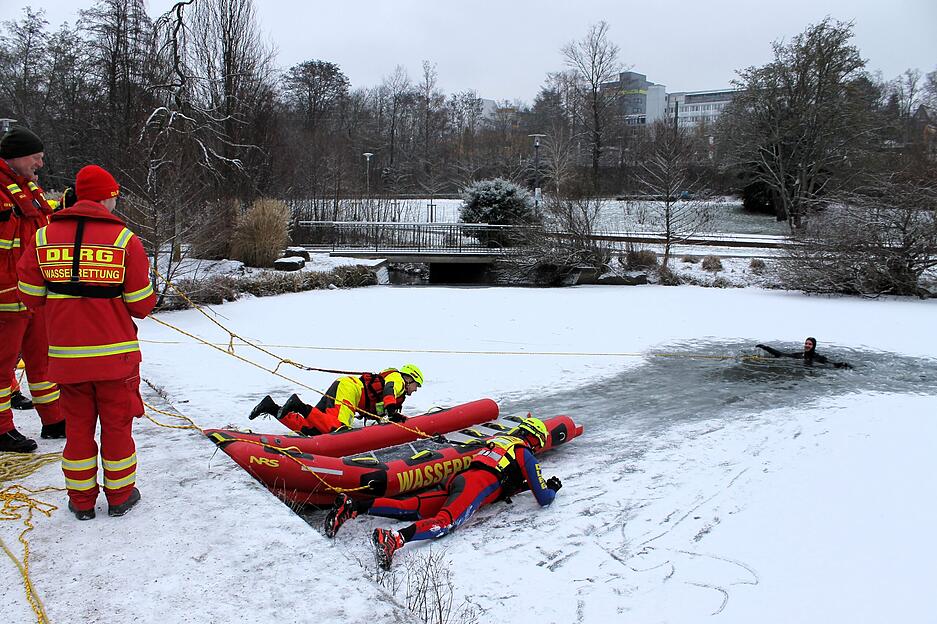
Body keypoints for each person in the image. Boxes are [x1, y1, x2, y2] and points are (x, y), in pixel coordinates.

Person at [17, 164, 156, 520]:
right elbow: (141, 305)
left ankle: (81, 503)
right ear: (108, 196)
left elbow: (31, 296)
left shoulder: (45, 237)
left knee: (77, 429)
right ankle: (121, 497)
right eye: (115, 195)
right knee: (117, 428)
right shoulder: (125, 240)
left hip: (66, 360)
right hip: (116, 360)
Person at [324, 416, 562, 570]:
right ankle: (395, 539)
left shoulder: (499, 442)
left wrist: (521, 486)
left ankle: (353, 505)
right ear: (534, 439)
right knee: (446, 522)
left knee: (413, 507)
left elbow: (506, 479)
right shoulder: (524, 453)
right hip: (476, 485)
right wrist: (551, 488)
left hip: (459, 480)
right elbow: (543, 498)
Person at [0, 126, 63, 452]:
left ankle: (53, 419)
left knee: (43, 362)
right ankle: (2, 429)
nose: (40, 164)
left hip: (34, 296)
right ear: (19, 156)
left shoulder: (29, 192)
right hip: (5, 300)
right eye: (36, 158)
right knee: (2, 367)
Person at [249, 364, 424, 435]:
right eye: (416, 385)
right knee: (338, 430)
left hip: (343, 387)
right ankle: (299, 405)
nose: (415, 390)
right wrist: (392, 410)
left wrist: (394, 418)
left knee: (313, 429)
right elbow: (388, 389)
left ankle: (271, 407)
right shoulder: (398, 379)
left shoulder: (396, 393)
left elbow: (381, 410)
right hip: (350, 390)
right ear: (410, 378)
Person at [755, 337, 852, 369]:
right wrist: (766, 348)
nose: (807, 345)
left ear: (813, 346)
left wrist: (843, 364)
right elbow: (781, 354)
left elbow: (832, 364)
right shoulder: (799, 355)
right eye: (806, 343)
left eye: (809, 344)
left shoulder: (818, 358)